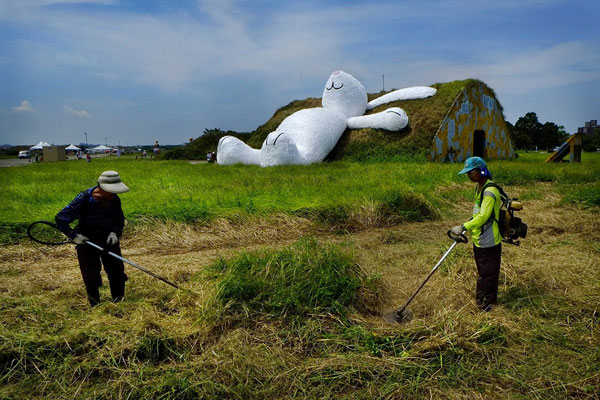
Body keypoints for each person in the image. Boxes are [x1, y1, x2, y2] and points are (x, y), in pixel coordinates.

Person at [55, 171, 130, 306]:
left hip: (108, 239)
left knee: (116, 271)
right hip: (87, 240)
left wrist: (115, 232)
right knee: (90, 274)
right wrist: (74, 236)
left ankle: (119, 302)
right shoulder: (84, 198)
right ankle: (95, 305)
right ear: (102, 187)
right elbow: (61, 218)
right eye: (111, 191)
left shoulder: (114, 199)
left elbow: (119, 219)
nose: (113, 194)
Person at [451, 157, 502, 311]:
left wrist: (463, 226)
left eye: (471, 172)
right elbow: (477, 212)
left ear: (481, 170)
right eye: (467, 173)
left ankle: (487, 304)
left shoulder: (490, 190)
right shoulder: (479, 187)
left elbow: (484, 216)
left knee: (489, 273)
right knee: (483, 271)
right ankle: (481, 299)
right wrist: (468, 226)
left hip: (490, 241)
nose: (468, 175)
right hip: (479, 239)